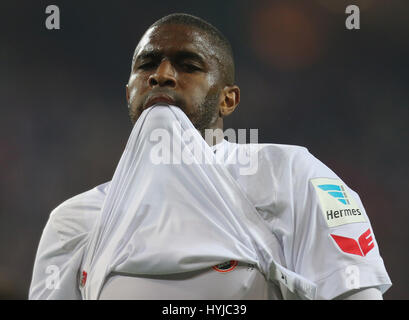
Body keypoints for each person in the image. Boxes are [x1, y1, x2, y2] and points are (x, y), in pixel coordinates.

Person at [29, 13, 391, 300]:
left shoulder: (293, 175)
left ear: (228, 99)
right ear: (129, 94)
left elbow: (355, 293)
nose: (162, 75)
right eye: (147, 64)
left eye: (188, 65)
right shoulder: (74, 221)